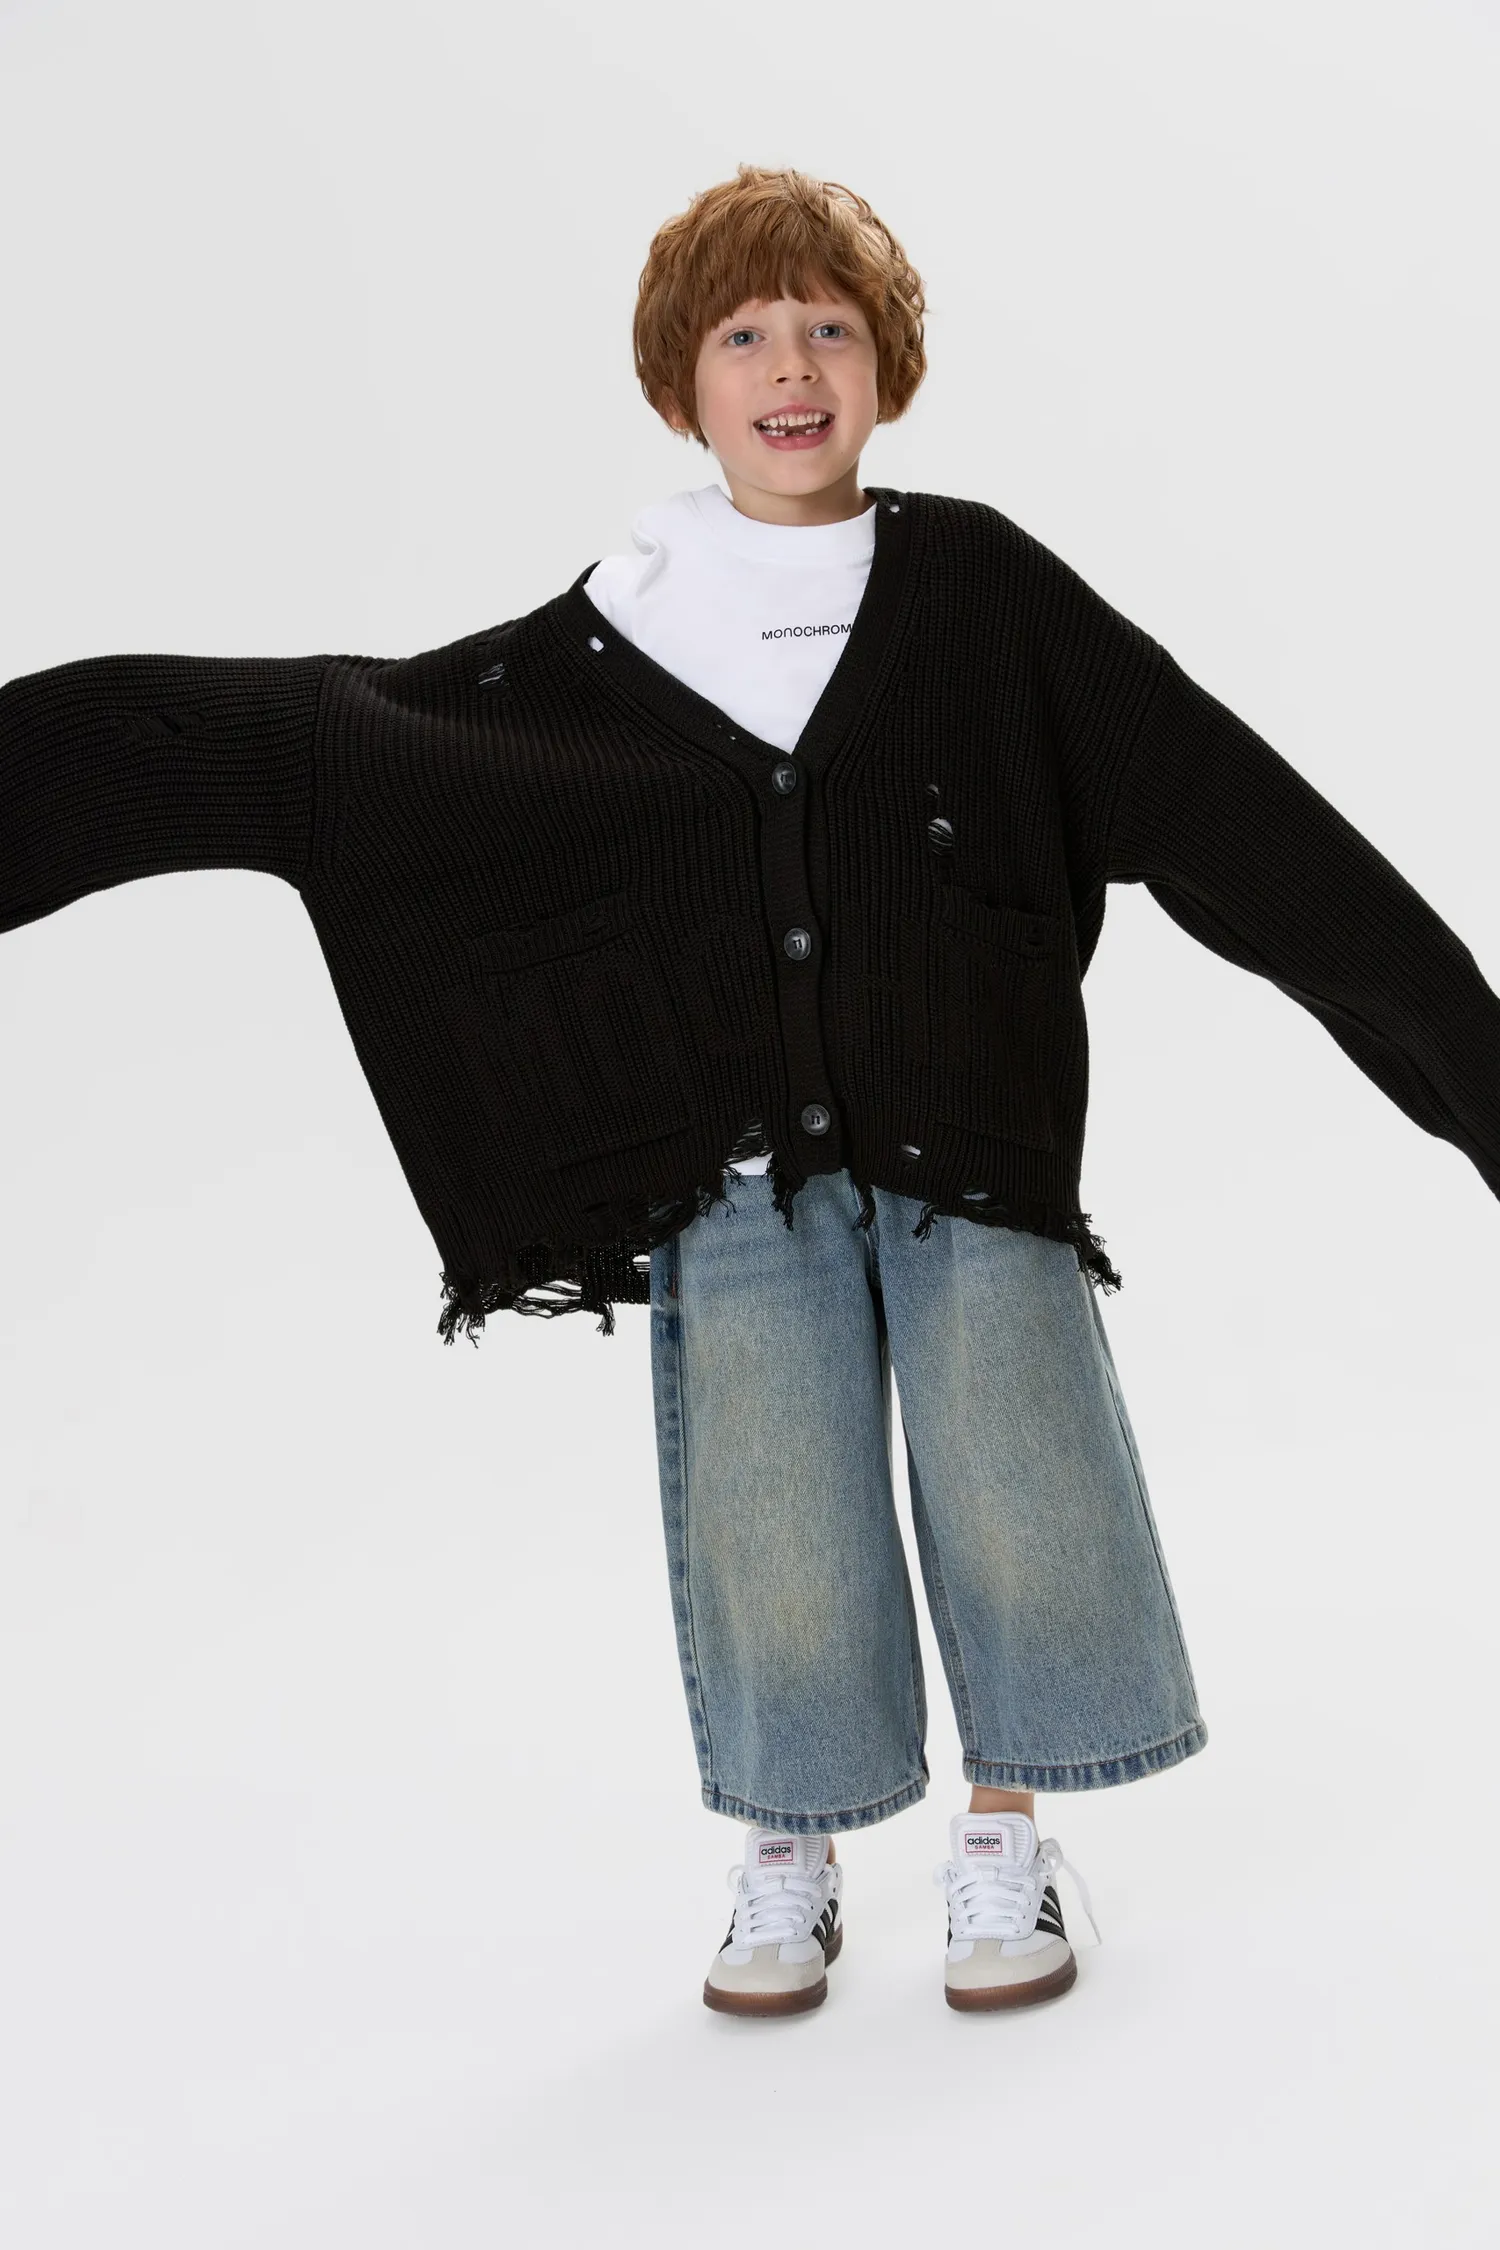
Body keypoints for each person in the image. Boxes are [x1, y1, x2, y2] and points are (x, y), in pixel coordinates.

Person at [5, 164, 1497, 2024]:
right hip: (731, 1181)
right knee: (772, 1518)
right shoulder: (611, 641)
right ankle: (789, 1845)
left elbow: (1247, 829)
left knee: (1020, 1482)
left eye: (830, 328)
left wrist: (1475, 1075)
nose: (792, 365)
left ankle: (1005, 1832)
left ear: (889, 367)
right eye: (743, 334)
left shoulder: (985, 594)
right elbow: (314, 745)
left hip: (976, 1152)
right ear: (678, 384)